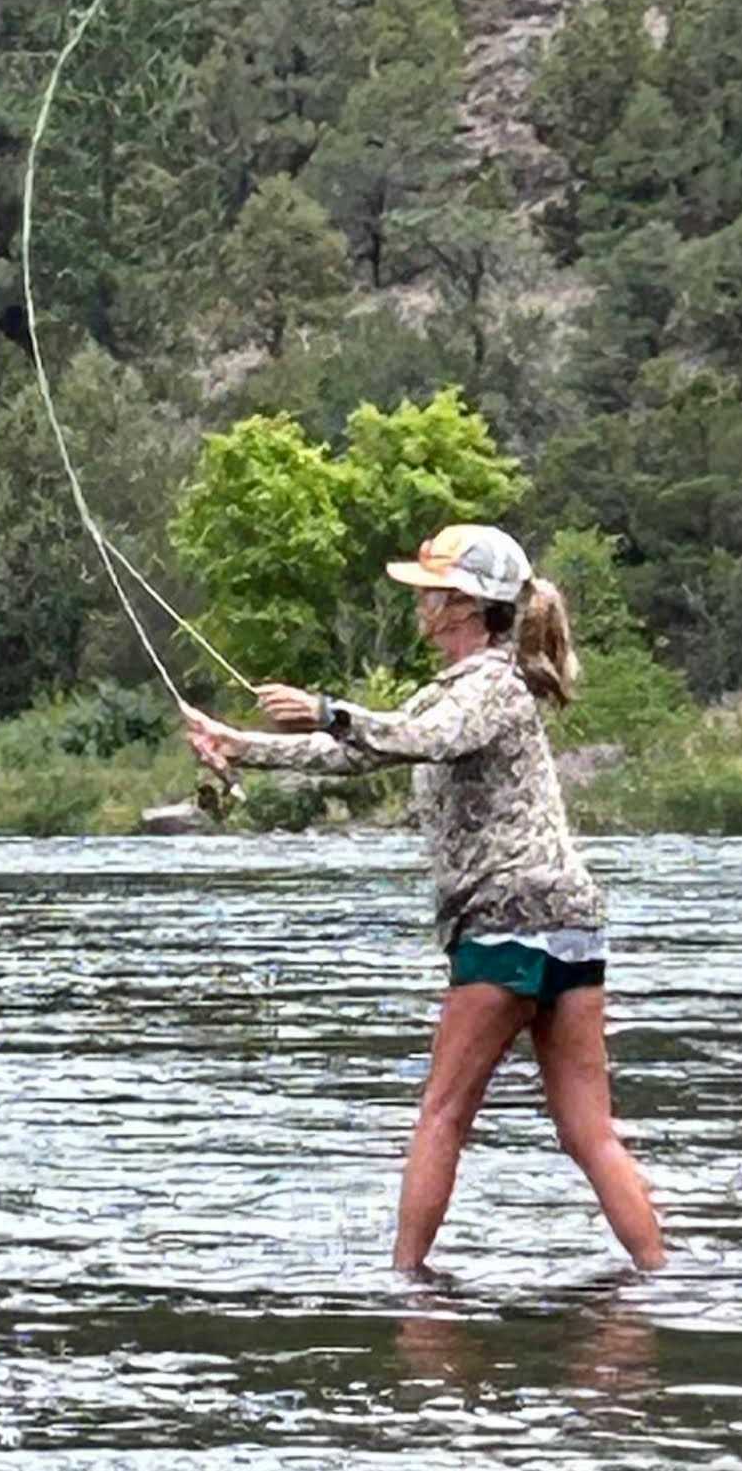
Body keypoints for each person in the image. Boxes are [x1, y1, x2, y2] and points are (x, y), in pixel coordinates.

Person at [182, 523, 665, 1273]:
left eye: (427, 591)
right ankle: (662, 1280)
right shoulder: (465, 688)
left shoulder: (494, 685)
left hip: (508, 927)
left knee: (441, 1115)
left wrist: (330, 707)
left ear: (463, 606)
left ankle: (406, 1288)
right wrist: (239, 744)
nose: (419, 602)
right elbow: (361, 751)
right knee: (588, 1132)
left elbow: (422, 739)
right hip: (573, 930)